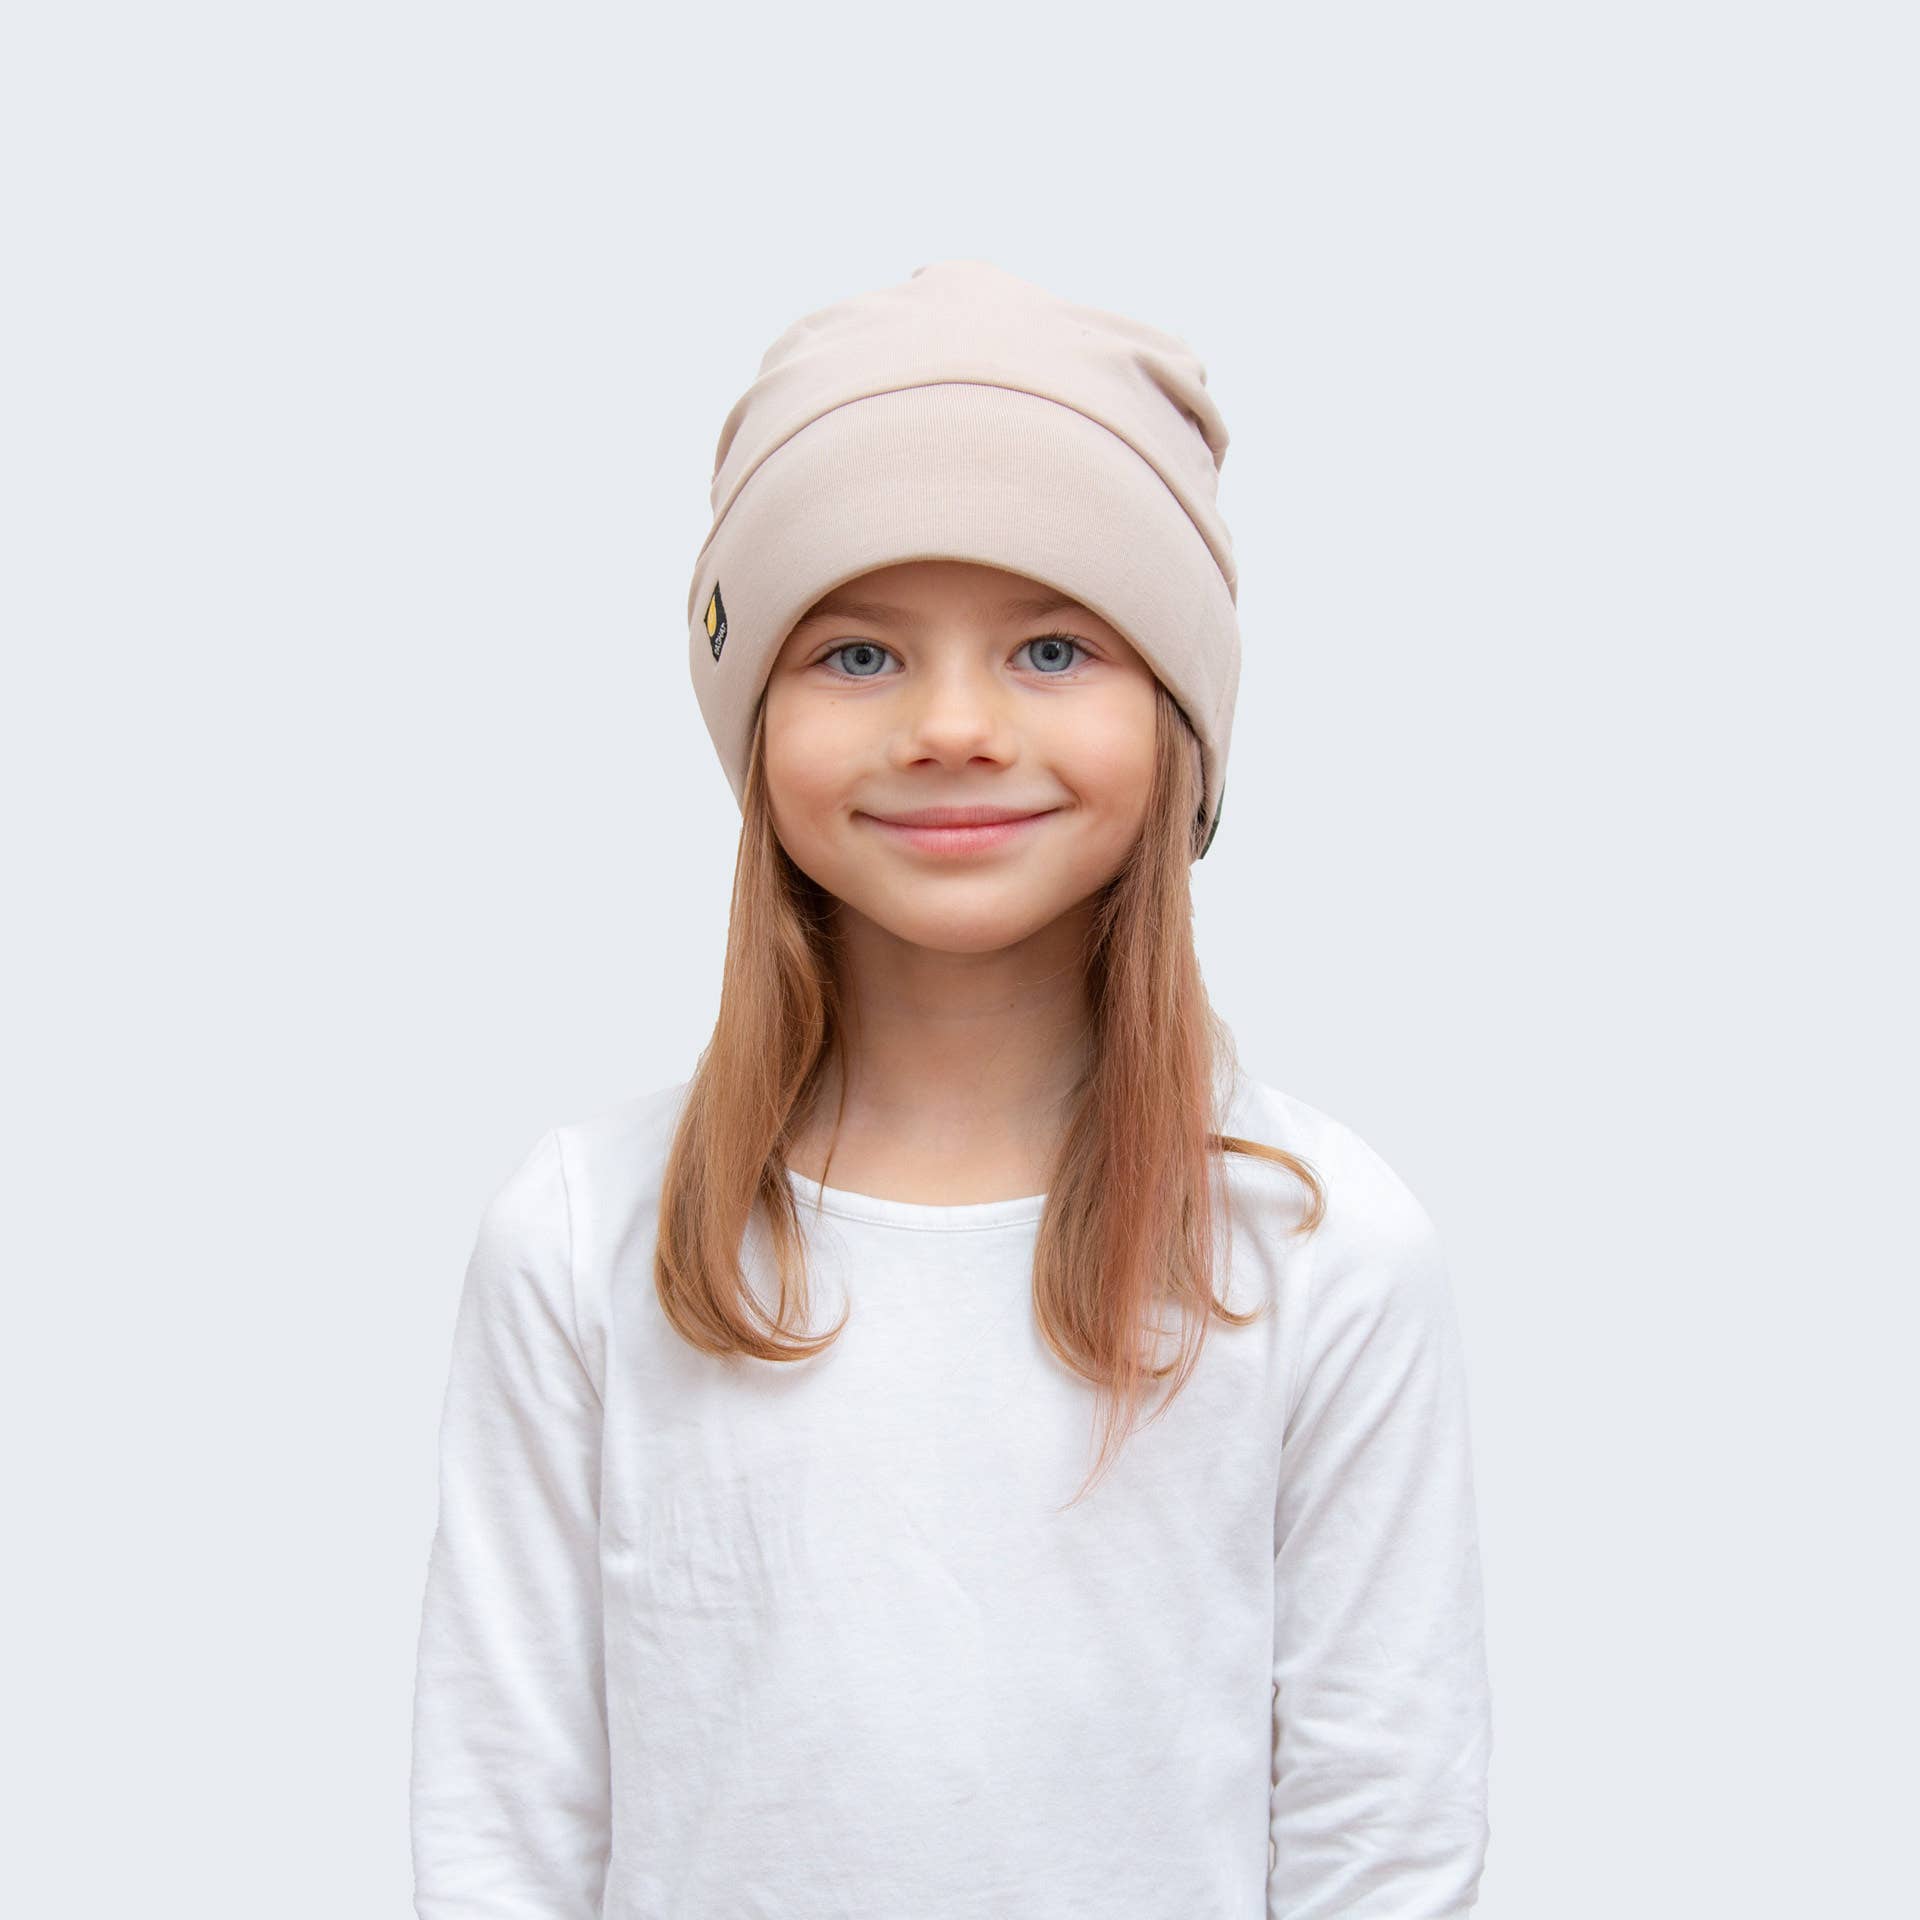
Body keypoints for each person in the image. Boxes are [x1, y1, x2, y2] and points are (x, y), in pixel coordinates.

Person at [408, 259, 1494, 1918]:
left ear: (1178, 718)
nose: (956, 725)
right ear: (752, 718)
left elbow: (1385, 1850)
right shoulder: (581, 1239)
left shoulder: (1322, 1251)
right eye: (857, 654)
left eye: (1054, 646)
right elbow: (506, 1831)